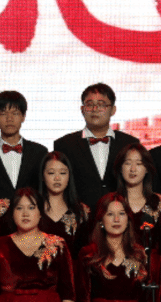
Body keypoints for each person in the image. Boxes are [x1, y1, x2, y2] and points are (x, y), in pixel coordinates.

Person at [52, 82, 142, 212]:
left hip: (120, 216)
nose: (95, 109)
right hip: (79, 217)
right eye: (89, 104)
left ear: (113, 110)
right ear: (82, 109)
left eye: (101, 104)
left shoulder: (129, 143)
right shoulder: (64, 145)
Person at [0, 90, 50, 200]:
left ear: (23, 117)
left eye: (15, 113)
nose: (9, 119)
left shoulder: (40, 152)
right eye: (3, 113)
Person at [115, 142, 161, 256]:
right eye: (127, 163)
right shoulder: (111, 202)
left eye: (139, 164)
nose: (133, 169)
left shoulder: (160, 204)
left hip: (152, 266)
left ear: (147, 168)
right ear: (120, 168)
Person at [34, 152, 85, 240]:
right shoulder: (32, 209)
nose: (57, 178)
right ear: (42, 176)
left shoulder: (81, 212)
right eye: (51, 173)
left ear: (69, 176)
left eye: (62, 173)